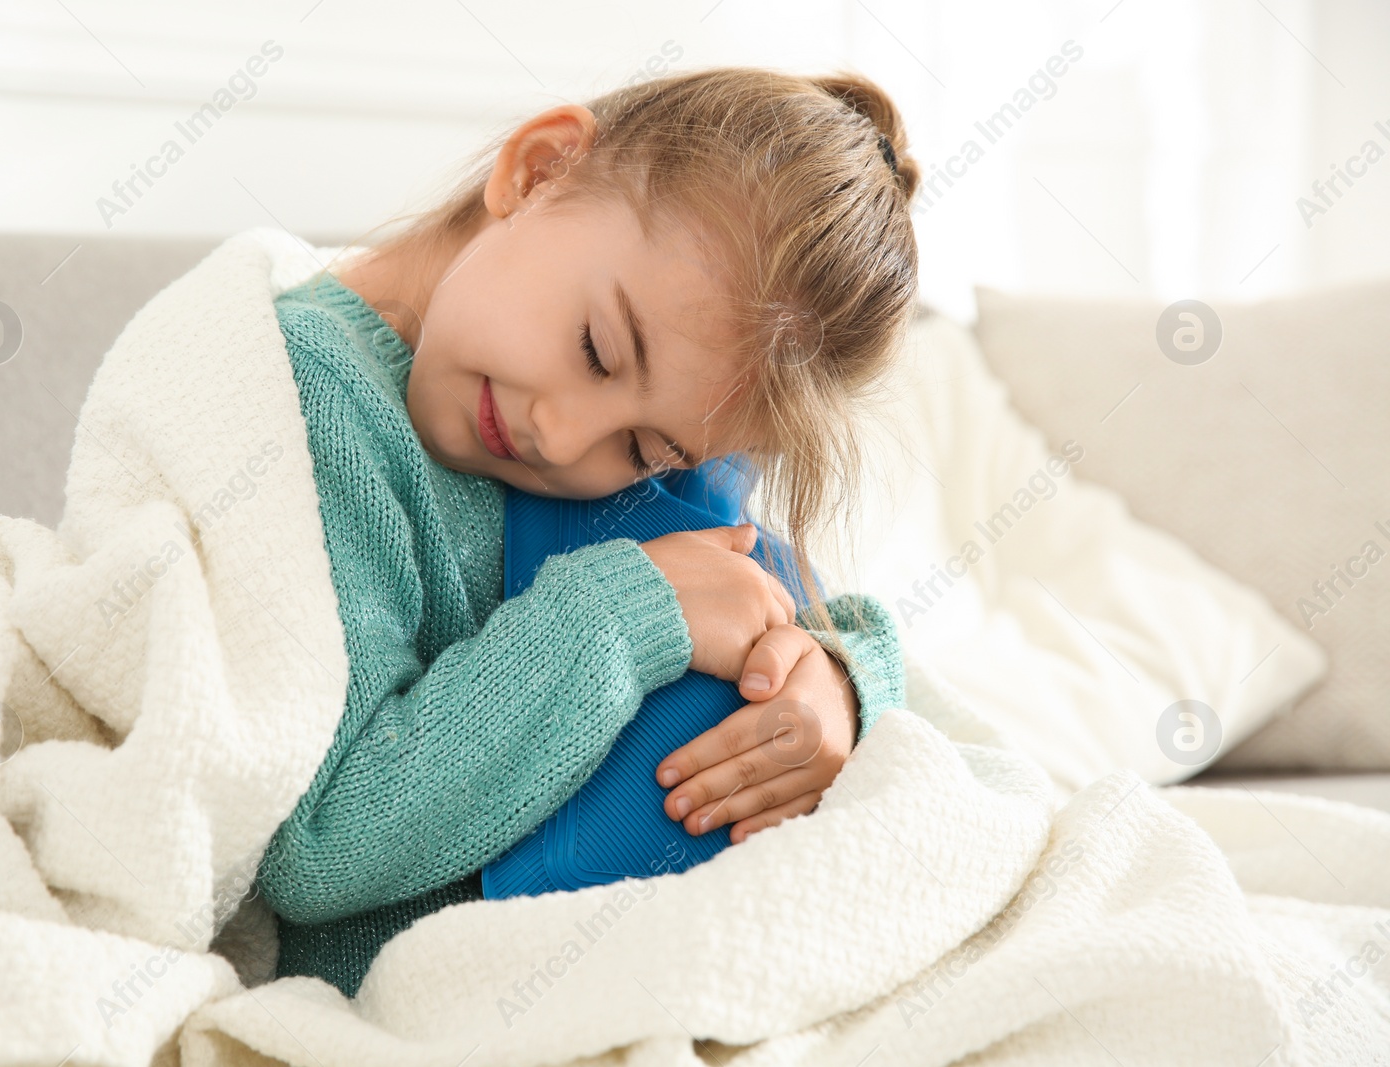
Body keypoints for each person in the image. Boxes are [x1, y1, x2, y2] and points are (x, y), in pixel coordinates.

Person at [255, 65, 921, 996]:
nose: (562, 438)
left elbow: (797, 600)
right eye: (598, 350)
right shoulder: (316, 397)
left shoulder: (638, 426)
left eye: (648, 448)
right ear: (539, 170)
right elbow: (317, 847)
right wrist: (619, 615)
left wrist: (845, 686)